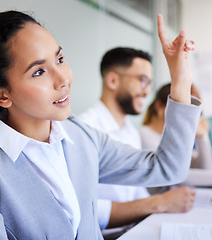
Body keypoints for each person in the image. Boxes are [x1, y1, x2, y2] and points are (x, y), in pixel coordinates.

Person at [0, 11, 202, 239]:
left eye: (59, 59)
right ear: (1, 94)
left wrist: (180, 77)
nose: (63, 79)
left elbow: (168, 168)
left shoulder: (80, 136)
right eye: (38, 71)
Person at [79, 48, 196, 239]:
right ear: (113, 80)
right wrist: (160, 203)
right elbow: (85, 209)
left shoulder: (130, 131)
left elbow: (136, 191)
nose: (148, 90)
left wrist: (166, 204)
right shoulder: (86, 129)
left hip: (134, 228)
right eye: (142, 80)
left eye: (150, 83)